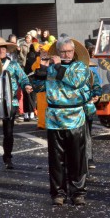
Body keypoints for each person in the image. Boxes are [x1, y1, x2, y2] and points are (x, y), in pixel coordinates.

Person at [32, 36, 91, 206]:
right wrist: (41, 70)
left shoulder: (80, 67)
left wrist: (57, 67)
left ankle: (78, 192)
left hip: (75, 117)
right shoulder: (50, 68)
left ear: (74, 52)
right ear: (57, 52)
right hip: (54, 118)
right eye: (62, 51)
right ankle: (58, 193)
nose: (66, 54)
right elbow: (36, 88)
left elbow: (76, 82)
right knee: (56, 159)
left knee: (77, 158)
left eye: (69, 51)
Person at [0, 37, 32, 169]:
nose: (1, 50)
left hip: (10, 102)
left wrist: (27, 85)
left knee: (8, 131)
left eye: (3, 48)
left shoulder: (13, 65)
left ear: (6, 50)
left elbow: (23, 78)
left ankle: (8, 157)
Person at [84, 61, 102, 169]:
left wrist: (97, 95)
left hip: (86, 108)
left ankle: (88, 158)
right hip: (69, 110)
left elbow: (97, 86)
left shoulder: (90, 73)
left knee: (86, 134)